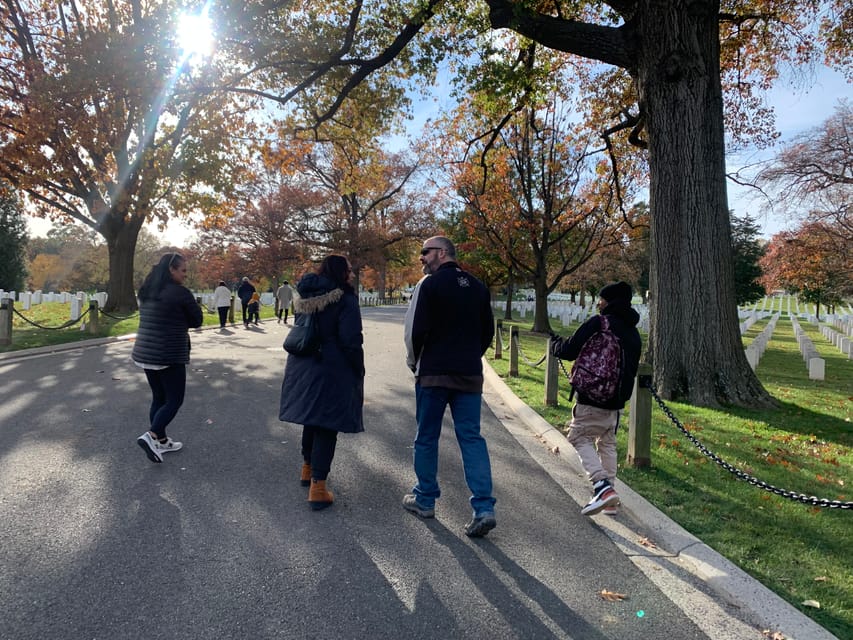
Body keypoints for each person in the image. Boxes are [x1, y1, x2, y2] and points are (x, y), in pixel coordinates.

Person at [402, 236, 497, 537]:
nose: (421, 258)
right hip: (469, 374)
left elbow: (414, 330)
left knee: (426, 437)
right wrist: (470, 357)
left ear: (442, 253)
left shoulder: (427, 286)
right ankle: (483, 507)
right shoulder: (479, 287)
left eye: (425, 252)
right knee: (471, 437)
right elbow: (487, 331)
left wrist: (414, 362)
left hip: (433, 374)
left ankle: (425, 498)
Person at [279, 255, 364, 510]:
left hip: (303, 364)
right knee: (327, 425)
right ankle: (318, 488)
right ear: (341, 272)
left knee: (311, 418)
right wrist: (358, 368)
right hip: (331, 367)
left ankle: (307, 469)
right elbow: (351, 339)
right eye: (349, 269)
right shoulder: (345, 298)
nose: (352, 274)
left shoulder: (306, 295)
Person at [550, 281, 642, 516]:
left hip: (591, 395)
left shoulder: (599, 323)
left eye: (601, 298)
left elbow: (570, 350)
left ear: (609, 301)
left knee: (579, 436)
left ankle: (602, 486)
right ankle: (610, 500)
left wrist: (556, 345)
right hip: (616, 401)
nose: (598, 302)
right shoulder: (633, 333)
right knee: (607, 442)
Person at [132, 253, 203, 463]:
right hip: (168, 353)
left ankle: (161, 441)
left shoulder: (146, 291)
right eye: (183, 270)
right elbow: (197, 320)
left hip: (145, 352)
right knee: (174, 400)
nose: (185, 275)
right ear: (172, 269)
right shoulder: (180, 293)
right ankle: (152, 435)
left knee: (159, 397)